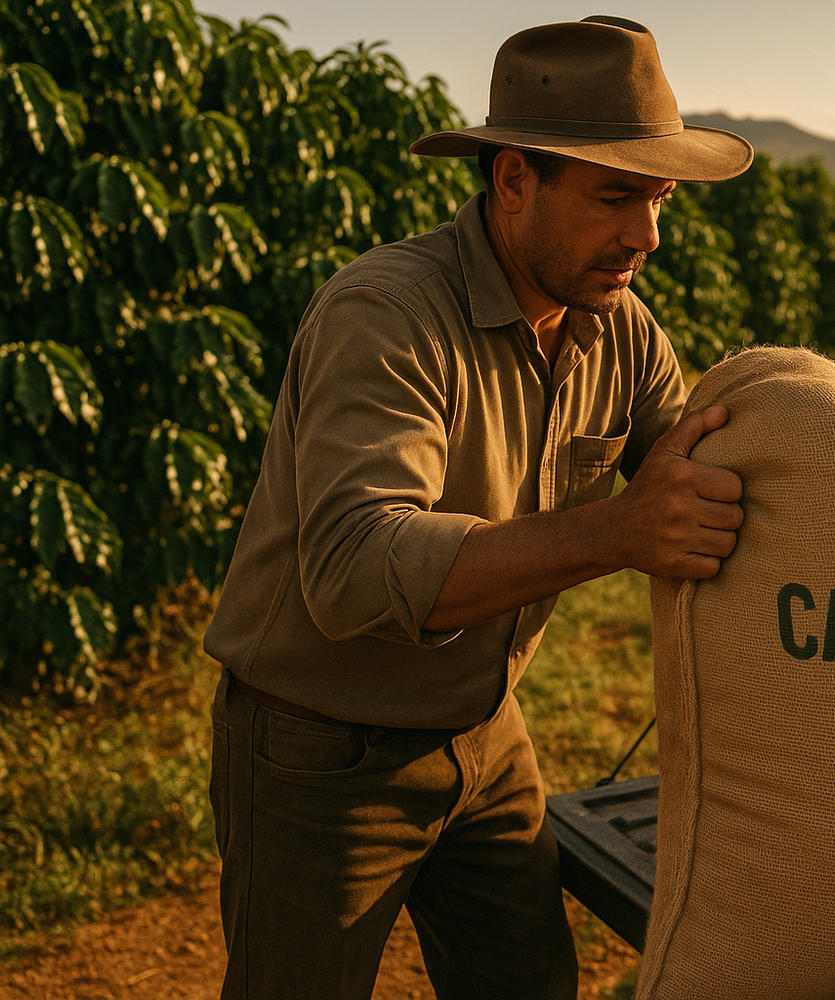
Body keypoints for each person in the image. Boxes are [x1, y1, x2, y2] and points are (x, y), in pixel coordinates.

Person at [201, 15, 752, 999]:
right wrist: (620, 529)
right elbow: (353, 568)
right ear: (513, 181)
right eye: (616, 197)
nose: (647, 236)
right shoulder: (388, 314)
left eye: (659, 200)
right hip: (319, 751)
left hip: (487, 733)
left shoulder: (618, 327)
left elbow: (700, 462)